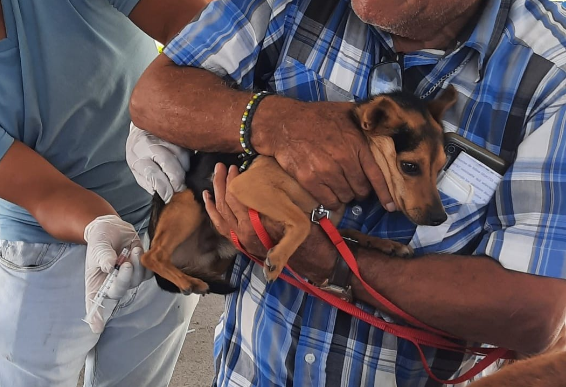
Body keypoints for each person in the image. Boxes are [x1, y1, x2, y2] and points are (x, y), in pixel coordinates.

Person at [126, 0, 566, 385]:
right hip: (245, 371)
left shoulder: (552, 72)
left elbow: (536, 313)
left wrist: (334, 263)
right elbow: (155, 94)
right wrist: (272, 122)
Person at [0, 1, 207, 386]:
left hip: (167, 207)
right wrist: (100, 224)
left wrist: (181, 113)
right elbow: (43, 192)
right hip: (44, 255)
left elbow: (199, 28)